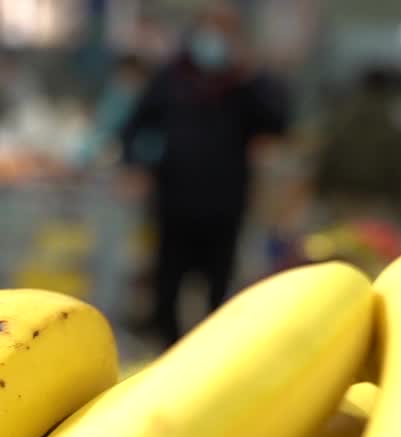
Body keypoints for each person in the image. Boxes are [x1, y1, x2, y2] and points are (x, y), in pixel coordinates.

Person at [120, 2, 290, 346]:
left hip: (224, 204)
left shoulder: (245, 85)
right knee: (167, 283)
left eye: (224, 29)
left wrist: (251, 77)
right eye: (209, 27)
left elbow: (278, 123)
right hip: (174, 200)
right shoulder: (171, 77)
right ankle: (163, 346)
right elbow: (135, 126)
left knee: (218, 287)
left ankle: (212, 353)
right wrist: (135, 167)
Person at [312, 68, 401, 224]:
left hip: (343, 195)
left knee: (344, 242)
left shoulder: (345, 115)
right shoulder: (388, 120)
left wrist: (321, 190)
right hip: (378, 198)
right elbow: (397, 161)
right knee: (372, 244)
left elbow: (330, 153)